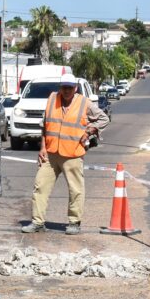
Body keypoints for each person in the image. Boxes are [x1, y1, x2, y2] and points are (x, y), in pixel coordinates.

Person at [21, 74, 109, 235]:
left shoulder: (84, 103)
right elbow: (45, 126)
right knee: (40, 186)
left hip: (73, 153)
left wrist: (89, 131)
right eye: (64, 87)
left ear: (75, 88)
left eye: (70, 87)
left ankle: (74, 222)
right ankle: (37, 222)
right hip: (51, 152)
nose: (66, 90)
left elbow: (103, 118)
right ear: (60, 88)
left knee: (76, 189)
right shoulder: (52, 99)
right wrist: (42, 147)